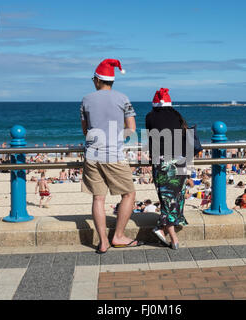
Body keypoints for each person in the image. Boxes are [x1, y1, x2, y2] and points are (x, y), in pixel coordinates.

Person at [80, 58, 141, 254]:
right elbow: (131, 129)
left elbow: (84, 130)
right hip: (113, 155)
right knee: (129, 194)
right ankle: (119, 236)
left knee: (98, 198)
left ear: (98, 80)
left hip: (92, 155)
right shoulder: (123, 98)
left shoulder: (86, 99)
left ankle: (103, 242)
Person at [146, 88, 189, 250]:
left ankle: (171, 236)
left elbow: (150, 140)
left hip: (162, 161)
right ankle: (166, 229)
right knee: (177, 197)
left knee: (166, 198)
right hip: (181, 160)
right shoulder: (177, 115)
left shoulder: (150, 116)